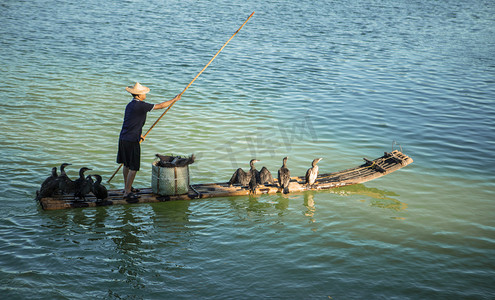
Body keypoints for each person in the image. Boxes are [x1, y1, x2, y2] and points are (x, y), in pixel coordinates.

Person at [117, 82, 181, 202]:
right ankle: (127, 192)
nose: (145, 95)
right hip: (131, 140)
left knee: (126, 164)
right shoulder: (141, 105)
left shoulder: (130, 105)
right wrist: (175, 99)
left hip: (124, 137)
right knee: (133, 167)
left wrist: (138, 133)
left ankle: (127, 187)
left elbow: (131, 121)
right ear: (140, 95)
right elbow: (161, 106)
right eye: (144, 93)